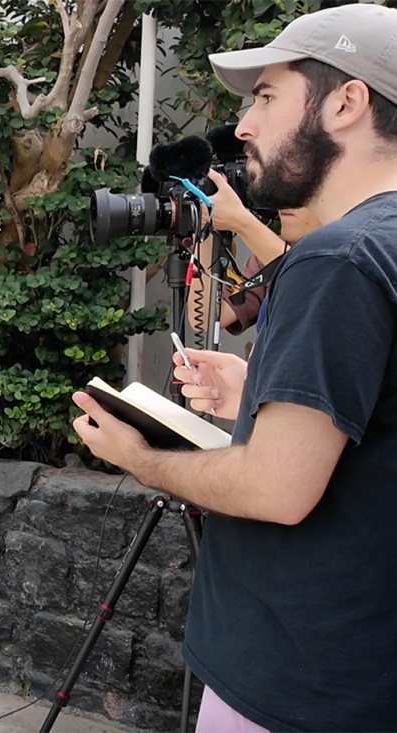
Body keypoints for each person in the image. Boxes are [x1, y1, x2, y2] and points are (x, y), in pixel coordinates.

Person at [72, 5, 397, 731]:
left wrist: (141, 455)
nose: (244, 125)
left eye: (267, 96)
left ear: (346, 102)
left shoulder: (337, 260)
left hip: (302, 683)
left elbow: (278, 488)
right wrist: (260, 389)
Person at [186, 176, 323, 335]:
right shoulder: (264, 256)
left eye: (297, 191)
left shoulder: (348, 252)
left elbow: (313, 280)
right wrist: (206, 225)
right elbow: (204, 319)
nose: (284, 202)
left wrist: (241, 221)